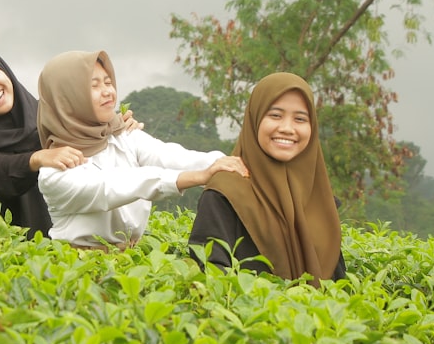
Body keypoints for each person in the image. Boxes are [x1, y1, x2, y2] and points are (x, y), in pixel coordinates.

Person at [36, 49, 248, 250]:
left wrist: (231, 163)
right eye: (94, 86)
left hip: (131, 259)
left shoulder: (123, 135)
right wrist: (199, 176)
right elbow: (114, 186)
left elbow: (170, 156)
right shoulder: (54, 171)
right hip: (75, 266)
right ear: (68, 99)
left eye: (108, 82)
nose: (108, 92)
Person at [0, 44, 143, 238]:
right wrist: (36, 159)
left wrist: (117, 126)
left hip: (104, 240)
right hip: (39, 255)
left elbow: (98, 137)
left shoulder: (58, 115)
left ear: (5, 71)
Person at [188, 72, 346, 284]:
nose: (287, 128)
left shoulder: (321, 202)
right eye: (275, 115)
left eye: (300, 119)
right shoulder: (225, 195)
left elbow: (339, 289)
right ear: (255, 119)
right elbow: (208, 279)